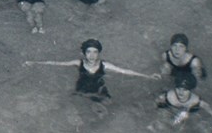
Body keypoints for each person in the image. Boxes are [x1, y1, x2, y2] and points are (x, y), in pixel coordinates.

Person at [24, 39, 160, 101]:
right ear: (84, 53)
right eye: (89, 52)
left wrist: (148, 76)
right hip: (81, 91)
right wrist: (34, 63)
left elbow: (125, 71)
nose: (92, 55)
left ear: (99, 53)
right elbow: (57, 64)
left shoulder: (105, 65)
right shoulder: (78, 63)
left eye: (95, 52)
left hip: (99, 92)